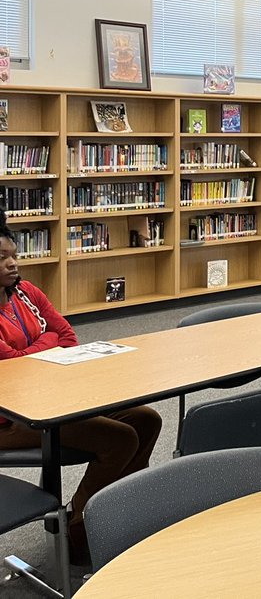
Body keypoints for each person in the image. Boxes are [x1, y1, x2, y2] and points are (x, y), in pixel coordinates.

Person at [0, 225, 161, 567]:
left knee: (147, 420)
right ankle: (80, 528)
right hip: (10, 418)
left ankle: (119, 514)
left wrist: (34, 350)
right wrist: (44, 346)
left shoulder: (26, 292)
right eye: (2, 258)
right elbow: (11, 367)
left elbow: (68, 336)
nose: (13, 264)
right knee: (119, 439)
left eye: (14, 255)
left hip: (53, 396)